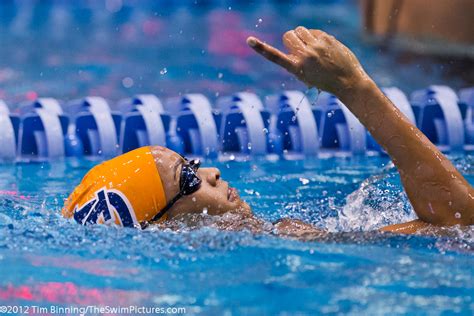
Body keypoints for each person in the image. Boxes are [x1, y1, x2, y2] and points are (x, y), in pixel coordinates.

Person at [63, 27, 474, 239]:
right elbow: (463, 223)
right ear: (164, 228)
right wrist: (355, 89)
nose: (212, 174)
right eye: (187, 179)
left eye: (194, 165)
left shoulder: (286, 236)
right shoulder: (298, 246)